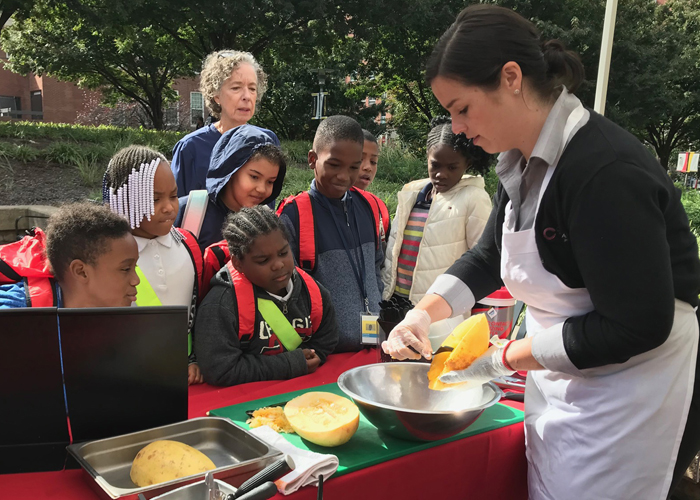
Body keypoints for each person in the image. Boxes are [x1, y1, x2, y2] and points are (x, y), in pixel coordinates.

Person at [382, 5, 700, 500]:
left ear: (511, 78)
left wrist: (502, 358)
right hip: (562, 374)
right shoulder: (522, 161)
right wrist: (422, 314)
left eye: (462, 108)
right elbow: (488, 257)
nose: (459, 128)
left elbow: (636, 323)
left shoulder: (603, 172)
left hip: (634, 388)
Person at [194, 206, 338, 386]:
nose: (278, 265)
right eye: (263, 261)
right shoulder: (221, 306)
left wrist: (312, 357)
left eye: (283, 253)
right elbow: (219, 369)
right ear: (238, 264)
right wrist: (288, 365)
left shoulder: (313, 292)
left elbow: (327, 338)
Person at [278, 115, 384, 352]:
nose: (344, 176)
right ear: (312, 159)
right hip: (325, 354)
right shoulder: (294, 215)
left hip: (374, 346)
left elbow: (376, 265)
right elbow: (286, 288)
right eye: (334, 165)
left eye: (354, 167)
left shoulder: (369, 207)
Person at [103, 145, 205, 385]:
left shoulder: (189, 244)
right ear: (124, 198)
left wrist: (194, 358)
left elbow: (198, 311)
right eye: (155, 199)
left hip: (186, 377)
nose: (169, 207)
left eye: (173, 195)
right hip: (128, 379)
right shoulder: (105, 257)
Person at [381, 116, 492, 304]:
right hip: (394, 302)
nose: (442, 173)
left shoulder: (474, 199)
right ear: (427, 158)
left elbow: (483, 260)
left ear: (467, 164)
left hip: (438, 311)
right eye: (435, 165)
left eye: (452, 167)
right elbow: (394, 249)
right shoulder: (411, 193)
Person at [171, 50, 279, 197]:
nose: (247, 96)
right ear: (216, 96)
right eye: (236, 88)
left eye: (252, 89)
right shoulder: (190, 148)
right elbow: (177, 212)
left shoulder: (267, 140)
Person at [0, 202, 139, 308]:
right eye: (126, 269)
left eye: (135, 268)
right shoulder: (14, 314)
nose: (136, 280)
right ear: (81, 271)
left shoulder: (117, 314)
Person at [176, 124, 286, 251]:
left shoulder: (267, 224)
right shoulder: (188, 211)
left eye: (270, 182)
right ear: (231, 170)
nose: (262, 189)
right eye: (254, 177)